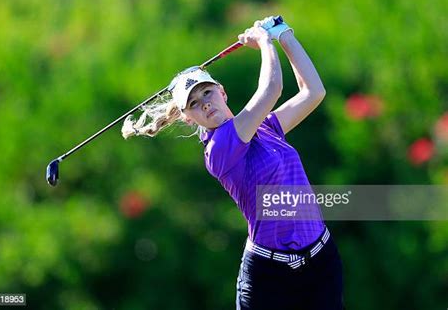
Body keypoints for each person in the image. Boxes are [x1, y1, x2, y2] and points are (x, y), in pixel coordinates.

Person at [122, 16, 344, 310]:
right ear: (189, 118)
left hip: (320, 263)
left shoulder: (266, 127)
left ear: (222, 92)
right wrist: (265, 41)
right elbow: (272, 89)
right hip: (270, 277)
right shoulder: (218, 149)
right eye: (194, 103)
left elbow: (313, 92)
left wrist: (285, 35)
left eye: (207, 92)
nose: (205, 103)